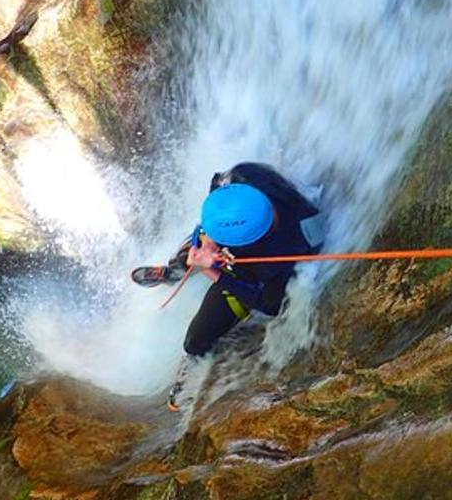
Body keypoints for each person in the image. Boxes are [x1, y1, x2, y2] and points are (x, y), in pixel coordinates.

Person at [132, 162, 324, 410]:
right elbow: (217, 188)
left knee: (194, 341)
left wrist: (213, 272)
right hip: (225, 233)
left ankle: (193, 356)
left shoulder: (289, 253)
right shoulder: (246, 175)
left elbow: (269, 304)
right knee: (196, 247)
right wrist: (210, 242)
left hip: (244, 273)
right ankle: (174, 271)